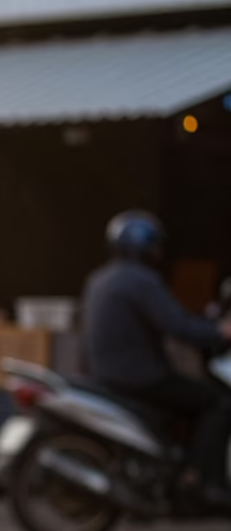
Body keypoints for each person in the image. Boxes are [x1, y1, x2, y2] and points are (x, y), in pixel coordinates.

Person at [81, 210, 231, 506]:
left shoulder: (101, 277)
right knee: (219, 402)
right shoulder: (142, 281)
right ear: (146, 247)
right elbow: (178, 325)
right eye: (156, 246)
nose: (160, 252)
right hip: (140, 376)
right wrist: (221, 333)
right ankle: (199, 477)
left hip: (107, 374)